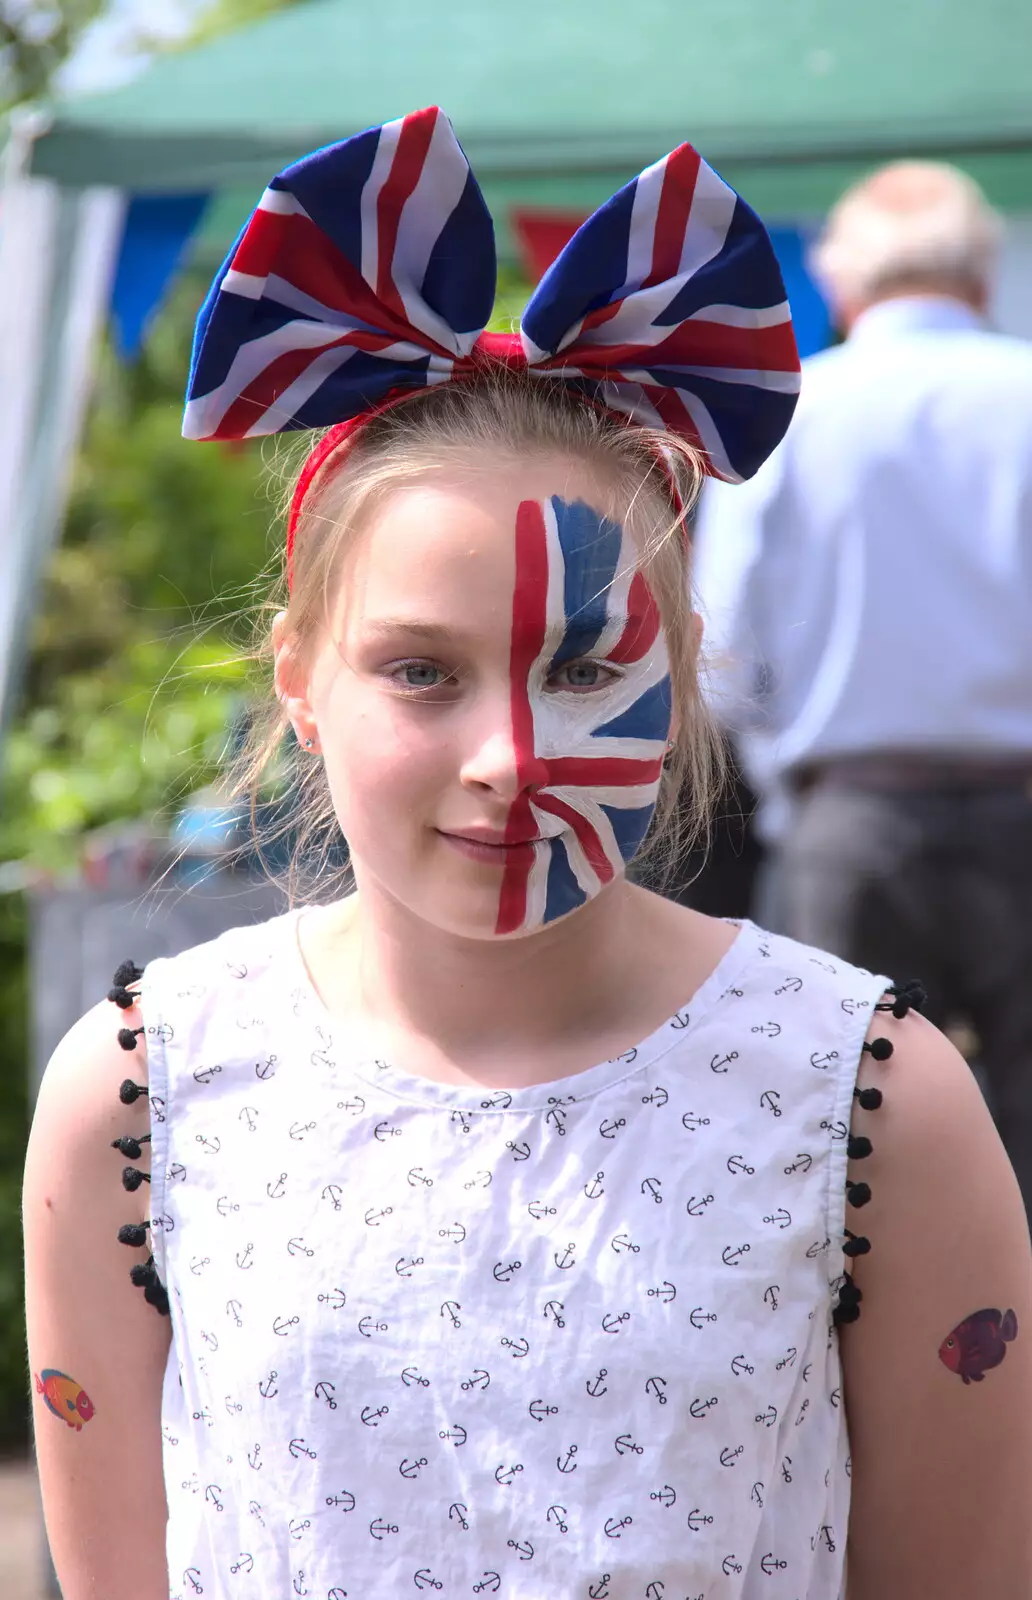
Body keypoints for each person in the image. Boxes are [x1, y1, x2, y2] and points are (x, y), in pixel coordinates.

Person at [23, 112, 1032, 1600]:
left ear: (686, 669)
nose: (509, 757)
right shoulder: (141, 1094)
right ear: (297, 677)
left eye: (583, 670)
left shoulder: (875, 1108)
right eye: (420, 673)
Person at [693, 161, 1032, 1211]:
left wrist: (786, 795)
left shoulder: (791, 413)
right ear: (982, 273)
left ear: (839, 285)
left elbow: (725, 654)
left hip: (852, 821)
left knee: (844, 1156)